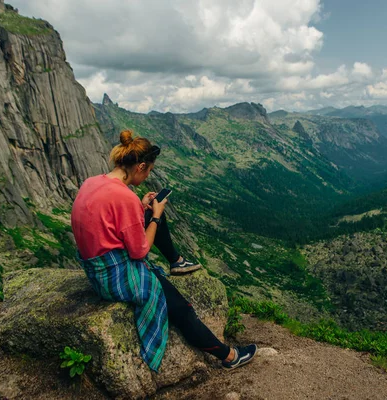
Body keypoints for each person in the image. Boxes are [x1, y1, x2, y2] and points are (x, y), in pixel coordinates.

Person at [71, 129, 257, 371]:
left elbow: (107, 220)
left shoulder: (92, 182)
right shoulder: (124, 197)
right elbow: (139, 253)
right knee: (181, 309)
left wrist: (142, 207)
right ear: (141, 167)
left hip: (96, 266)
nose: (148, 176)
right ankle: (229, 356)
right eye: (149, 170)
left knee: (148, 211)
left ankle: (176, 261)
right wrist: (155, 217)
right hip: (114, 275)